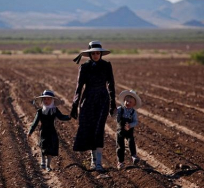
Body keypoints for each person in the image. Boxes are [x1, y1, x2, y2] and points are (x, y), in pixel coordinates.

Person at [70, 41, 116, 172]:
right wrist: (74, 105)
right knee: (88, 128)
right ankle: (93, 161)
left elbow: (111, 85)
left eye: (98, 53)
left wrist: (113, 103)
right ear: (89, 54)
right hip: (88, 99)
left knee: (99, 130)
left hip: (102, 99)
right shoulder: (84, 67)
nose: (96, 55)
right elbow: (78, 87)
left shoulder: (107, 66)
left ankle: (99, 163)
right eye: (93, 53)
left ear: (101, 53)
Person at [27, 90, 71, 172]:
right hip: (43, 132)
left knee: (50, 149)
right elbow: (35, 122)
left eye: (48, 99)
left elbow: (61, 117)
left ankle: (48, 165)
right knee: (43, 148)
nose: (46, 101)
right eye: (45, 99)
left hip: (52, 131)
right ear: (42, 100)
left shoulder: (54, 110)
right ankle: (42, 163)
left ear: (52, 100)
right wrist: (30, 131)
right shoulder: (40, 112)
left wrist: (70, 116)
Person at [116, 90, 142, 170]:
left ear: (134, 104)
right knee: (120, 146)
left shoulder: (133, 112)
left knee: (131, 141)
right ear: (124, 101)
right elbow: (114, 116)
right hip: (120, 131)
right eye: (127, 100)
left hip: (129, 130)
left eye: (130, 102)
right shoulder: (120, 109)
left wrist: (130, 125)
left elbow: (135, 122)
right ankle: (120, 162)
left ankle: (133, 156)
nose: (128, 102)